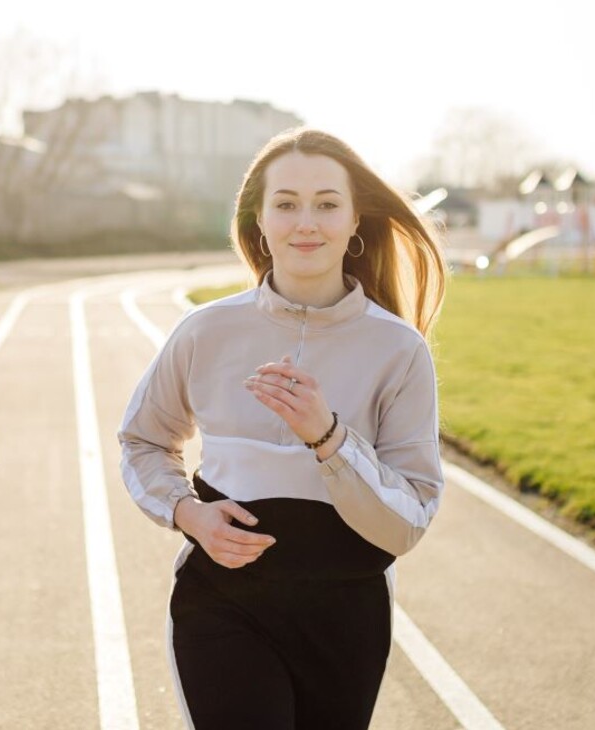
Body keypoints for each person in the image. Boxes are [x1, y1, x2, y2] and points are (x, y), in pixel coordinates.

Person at [119, 127, 447, 729]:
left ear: (355, 223)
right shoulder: (204, 331)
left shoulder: (399, 351)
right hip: (222, 604)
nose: (306, 223)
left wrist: (328, 438)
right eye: (287, 204)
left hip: (346, 614)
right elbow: (142, 440)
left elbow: (409, 522)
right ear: (259, 221)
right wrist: (188, 514)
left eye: (327, 204)